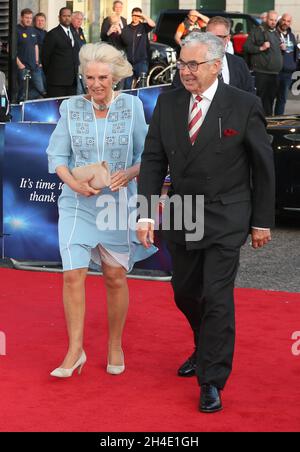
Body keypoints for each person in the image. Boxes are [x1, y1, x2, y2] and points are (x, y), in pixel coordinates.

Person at [137, 32, 275, 413]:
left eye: (194, 64)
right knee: (184, 292)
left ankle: (212, 379)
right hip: (183, 213)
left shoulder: (243, 105)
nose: (186, 72)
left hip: (226, 214)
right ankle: (204, 343)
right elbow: (152, 160)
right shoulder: (167, 104)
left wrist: (261, 220)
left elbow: (263, 166)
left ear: (216, 65)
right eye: (182, 63)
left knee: (217, 297)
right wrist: (147, 212)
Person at [46, 43, 156, 378]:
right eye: (89, 77)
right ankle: (74, 351)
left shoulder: (133, 108)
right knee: (72, 275)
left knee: (114, 277)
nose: (95, 83)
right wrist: (73, 183)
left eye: (102, 77)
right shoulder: (71, 107)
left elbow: (148, 156)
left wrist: (130, 173)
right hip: (77, 201)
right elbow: (57, 157)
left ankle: (114, 344)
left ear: (115, 77)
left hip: (117, 203)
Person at [173, 16, 255, 94]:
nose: (213, 41)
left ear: (227, 39)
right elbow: (176, 92)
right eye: (210, 36)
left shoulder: (238, 63)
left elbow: (249, 93)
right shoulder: (188, 63)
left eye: (218, 37)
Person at [243, 11, 283, 116]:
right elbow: (246, 47)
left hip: (274, 73)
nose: (273, 22)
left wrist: (282, 49)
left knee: (270, 100)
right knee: (259, 99)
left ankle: (268, 122)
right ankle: (257, 121)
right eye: (271, 20)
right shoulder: (257, 31)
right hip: (262, 73)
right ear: (266, 19)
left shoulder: (276, 32)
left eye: (275, 20)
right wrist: (261, 48)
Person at [42, 7, 80, 98]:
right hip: (57, 81)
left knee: (70, 108)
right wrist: (51, 74)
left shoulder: (74, 32)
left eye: (69, 16)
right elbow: (45, 57)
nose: (67, 18)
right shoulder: (52, 34)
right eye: (64, 16)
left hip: (72, 80)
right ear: (59, 17)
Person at [121, 8, 156, 89]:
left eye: (138, 16)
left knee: (142, 86)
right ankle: (128, 101)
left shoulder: (143, 27)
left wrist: (143, 16)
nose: (136, 17)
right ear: (131, 16)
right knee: (127, 86)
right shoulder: (126, 29)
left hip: (141, 61)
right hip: (128, 63)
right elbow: (123, 42)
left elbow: (153, 24)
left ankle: (140, 101)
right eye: (134, 15)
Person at [17, 8, 46, 101]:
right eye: (26, 17)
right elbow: (10, 49)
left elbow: (35, 45)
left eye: (30, 18)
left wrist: (37, 61)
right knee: (22, 91)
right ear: (21, 17)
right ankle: (21, 104)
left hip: (34, 66)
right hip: (23, 67)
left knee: (41, 89)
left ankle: (24, 101)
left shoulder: (32, 30)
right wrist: (20, 65)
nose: (28, 20)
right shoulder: (16, 30)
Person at [274, 13, 298, 115]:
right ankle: (267, 121)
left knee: (282, 99)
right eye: (284, 20)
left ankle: (278, 120)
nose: (285, 23)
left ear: (290, 23)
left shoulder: (291, 36)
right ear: (280, 20)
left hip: (287, 73)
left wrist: (294, 65)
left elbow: (295, 52)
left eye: (288, 21)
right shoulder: (274, 34)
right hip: (275, 71)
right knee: (269, 98)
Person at [71, 11, 87, 95]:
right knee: (78, 88)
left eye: (81, 19)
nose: (79, 21)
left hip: (82, 63)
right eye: (77, 19)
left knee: (83, 87)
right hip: (73, 64)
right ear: (72, 19)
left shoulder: (80, 31)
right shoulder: (69, 30)